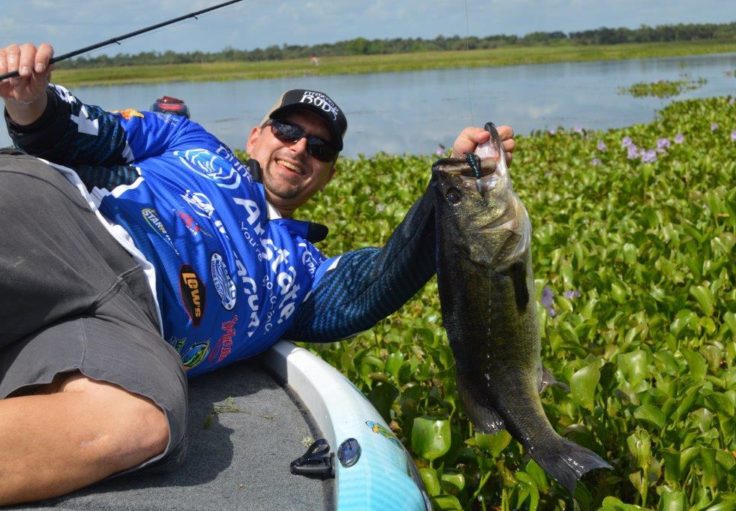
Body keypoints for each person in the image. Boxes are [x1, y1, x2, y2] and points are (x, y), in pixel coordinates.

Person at [0, 42, 515, 506]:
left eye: (320, 147)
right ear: (256, 136)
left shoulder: (307, 276)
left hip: (128, 325)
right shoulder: (187, 138)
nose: (298, 148)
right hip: (66, 221)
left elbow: (378, 280)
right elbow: (88, 130)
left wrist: (452, 190)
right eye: (288, 130)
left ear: (330, 173)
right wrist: (30, 101)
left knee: (142, 423)